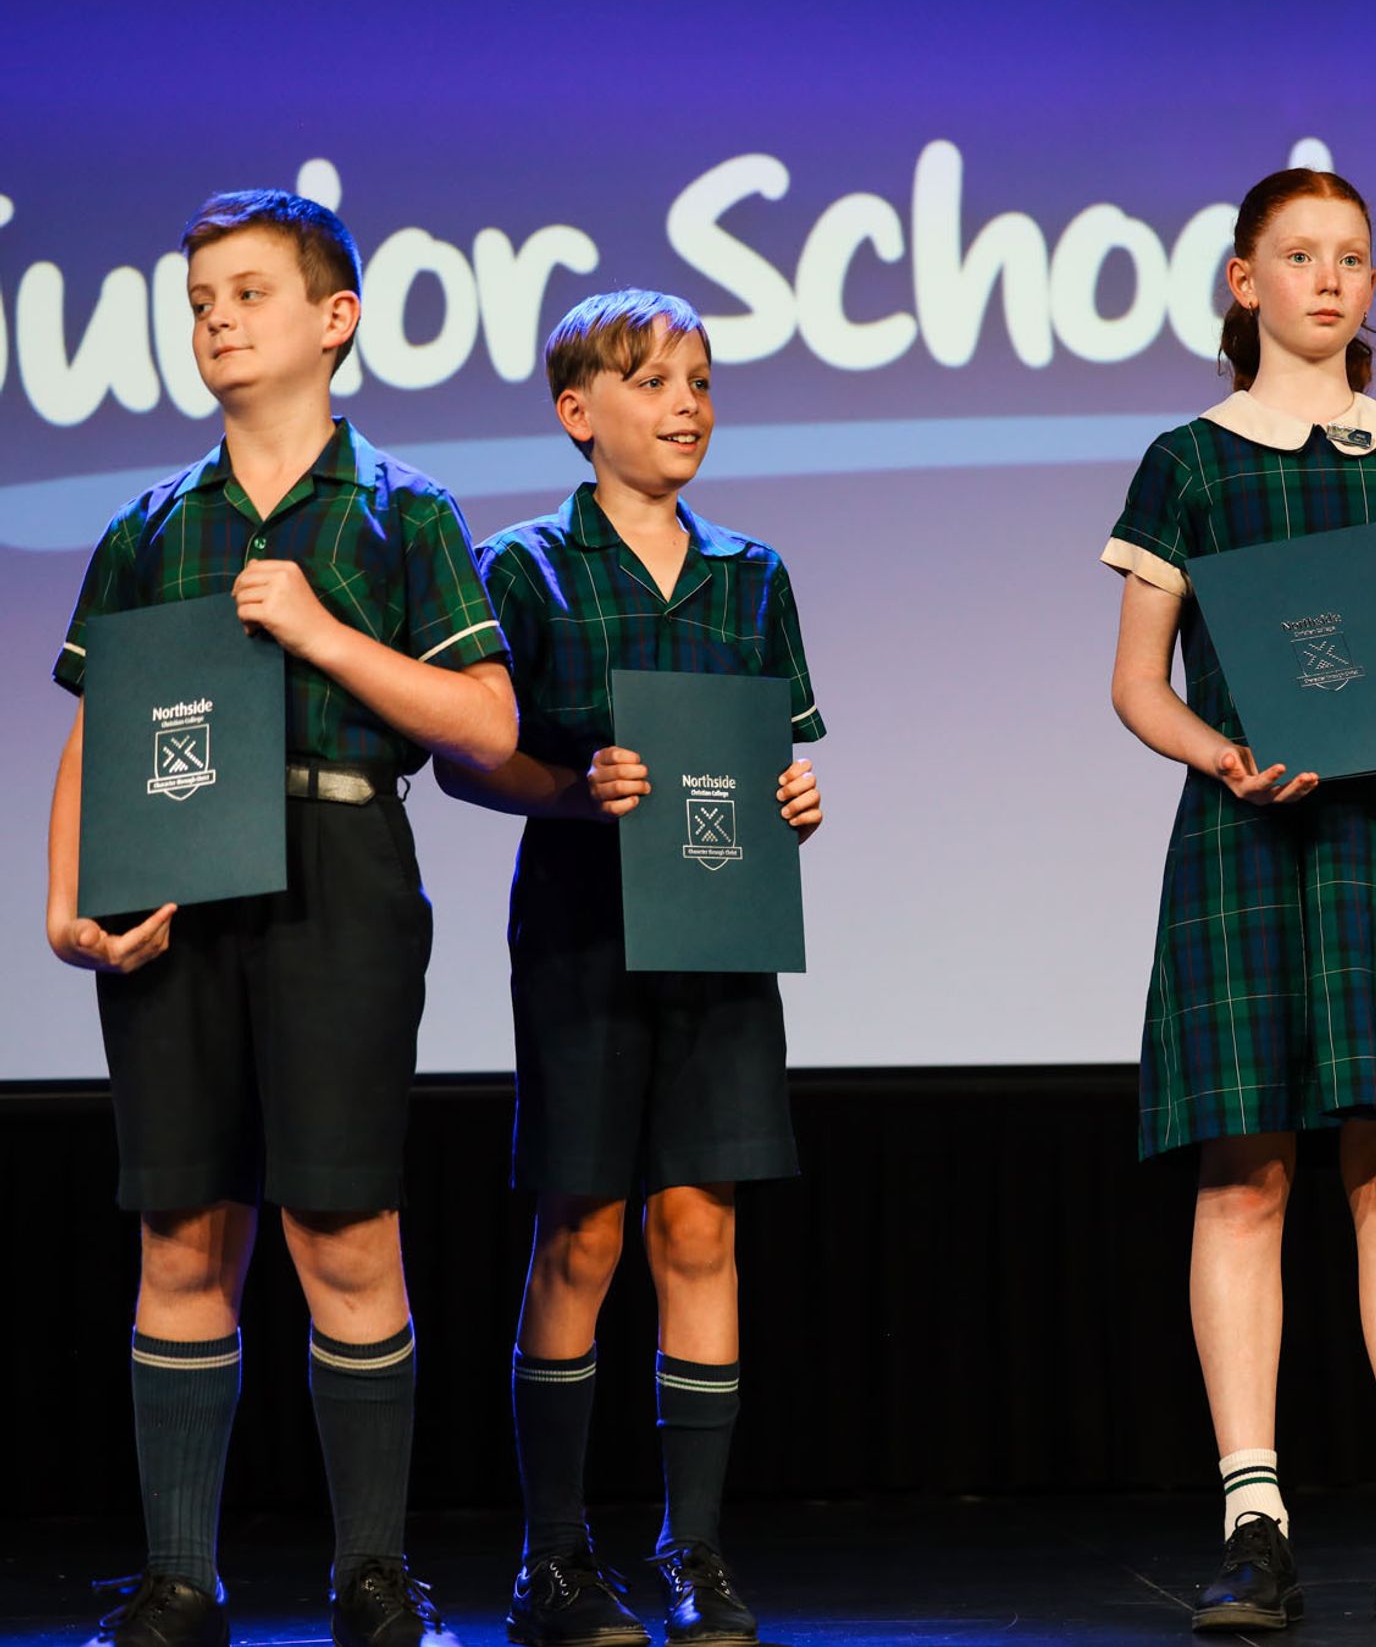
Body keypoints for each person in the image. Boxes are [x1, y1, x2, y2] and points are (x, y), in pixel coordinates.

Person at [45, 189, 516, 1647]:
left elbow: (488, 723)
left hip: (338, 866)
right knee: (182, 1228)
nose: (217, 321)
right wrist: (65, 903)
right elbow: (96, 732)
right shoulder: (149, 525)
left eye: (248, 292)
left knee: (342, 1224)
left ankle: (371, 1572)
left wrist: (321, 630)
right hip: (175, 878)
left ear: (334, 318)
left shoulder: (404, 511)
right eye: (199, 302)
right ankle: (179, 1578)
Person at [1100, 167, 1376, 1630]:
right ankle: (1254, 1516)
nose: (1329, 280)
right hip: (1252, 836)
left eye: (1351, 257)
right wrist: (1222, 753)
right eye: (1299, 256)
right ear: (1246, 281)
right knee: (1247, 1177)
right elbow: (1136, 685)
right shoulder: (1190, 462)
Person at [436, 290, 826, 1647]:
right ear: (577, 411)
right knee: (585, 1225)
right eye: (654, 380)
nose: (686, 404)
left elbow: (769, 754)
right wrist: (570, 788)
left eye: (701, 381)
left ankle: (694, 1549)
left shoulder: (752, 572)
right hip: (584, 934)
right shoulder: (523, 567)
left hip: (719, 938)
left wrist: (791, 800)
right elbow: (466, 760)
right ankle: (552, 1559)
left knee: (701, 1225)